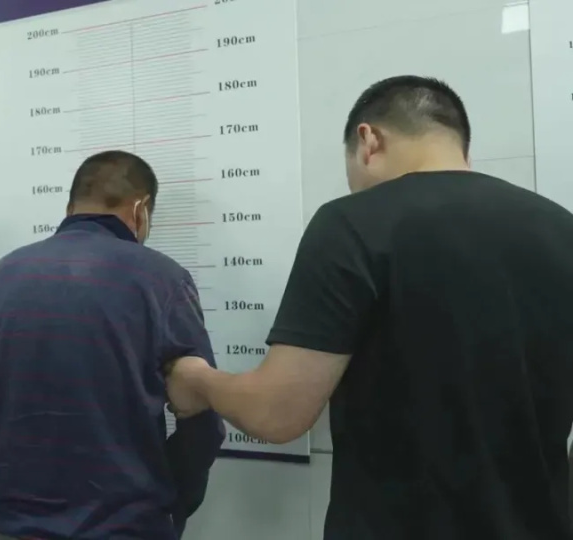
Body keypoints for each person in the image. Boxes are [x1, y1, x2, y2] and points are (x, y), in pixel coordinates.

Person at [166, 75, 573, 539]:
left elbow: (276, 413)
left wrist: (195, 378)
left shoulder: (351, 222)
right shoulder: (562, 229)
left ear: (368, 141)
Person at [0, 150, 225, 539]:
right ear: (141, 210)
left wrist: (21, 484)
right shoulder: (163, 279)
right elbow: (202, 419)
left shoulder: (1, 276)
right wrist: (169, 499)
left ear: (70, 207)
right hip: (127, 525)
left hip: (14, 523)